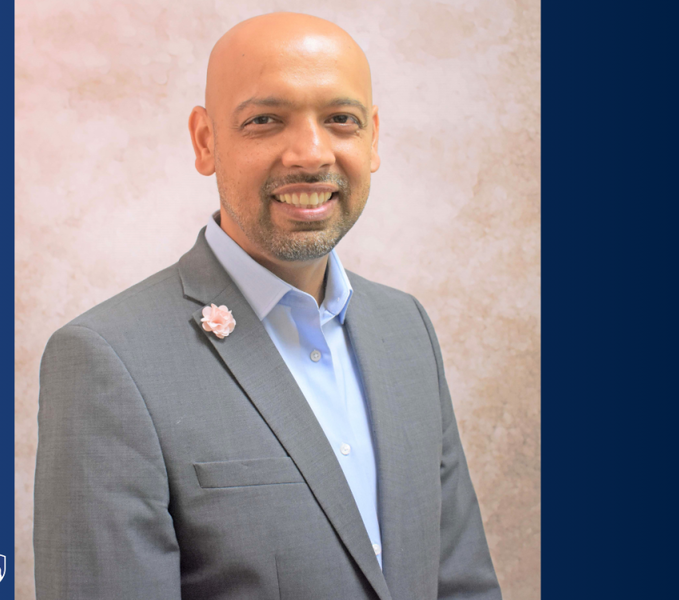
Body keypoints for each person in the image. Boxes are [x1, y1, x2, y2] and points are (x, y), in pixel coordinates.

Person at [34, 12, 502, 600]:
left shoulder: (405, 330)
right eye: (265, 120)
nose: (310, 154)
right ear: (206, 142)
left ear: (373, 137)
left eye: (340, 119)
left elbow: (463, 586)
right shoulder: (107, 361)